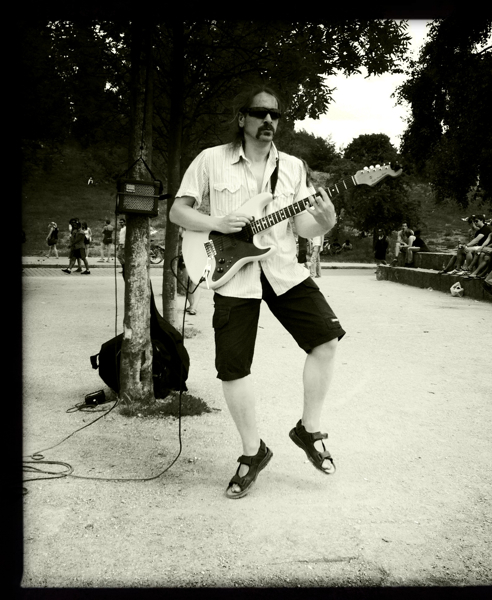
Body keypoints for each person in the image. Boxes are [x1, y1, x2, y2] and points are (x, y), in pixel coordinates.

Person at [169, 83, 345, 499]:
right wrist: (216, 223)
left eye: (275, 115)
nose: (268, 120)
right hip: (233, 274)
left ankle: (308, 429)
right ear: (242, 118)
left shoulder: (293, 167)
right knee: (233, 368)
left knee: (326, 339)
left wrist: (326, 221)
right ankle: (253, 452)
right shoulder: (211, 160)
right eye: (260, 112)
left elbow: (303, 225)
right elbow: (178, 211)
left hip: (283, 270)